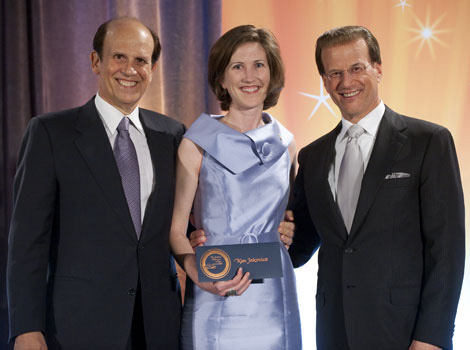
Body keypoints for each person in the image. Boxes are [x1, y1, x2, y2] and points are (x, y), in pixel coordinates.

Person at [7, 17, 185, 349]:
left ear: (153, 67)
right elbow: (27, 242)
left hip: (159, 324)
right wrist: (26, 327)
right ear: (95, 62)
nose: (129, 69)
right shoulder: (50, 133)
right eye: (119, 57)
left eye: (141, 60)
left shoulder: (173, 135)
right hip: (79, 326)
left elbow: (179, 223)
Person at [289, 25, 465, 350]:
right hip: (335, 331)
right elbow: (297, 247)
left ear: (378, 68)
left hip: (404, 333)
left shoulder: (428, 142)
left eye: (357, 68)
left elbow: (447, 249)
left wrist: (432, 338)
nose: (346, 82)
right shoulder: (312, 157)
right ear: (325, 81)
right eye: (334, 73)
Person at [169, 25, 302, 349]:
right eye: (237, 66)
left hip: (274, 297)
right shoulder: (196, 142)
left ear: (272, 73)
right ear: (222, 78)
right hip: (214, 289)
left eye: (259, 64)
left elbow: (289, 218)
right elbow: (174, 229)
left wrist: (290, 229)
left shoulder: (287, 145)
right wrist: (195, 270)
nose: (249, 76)